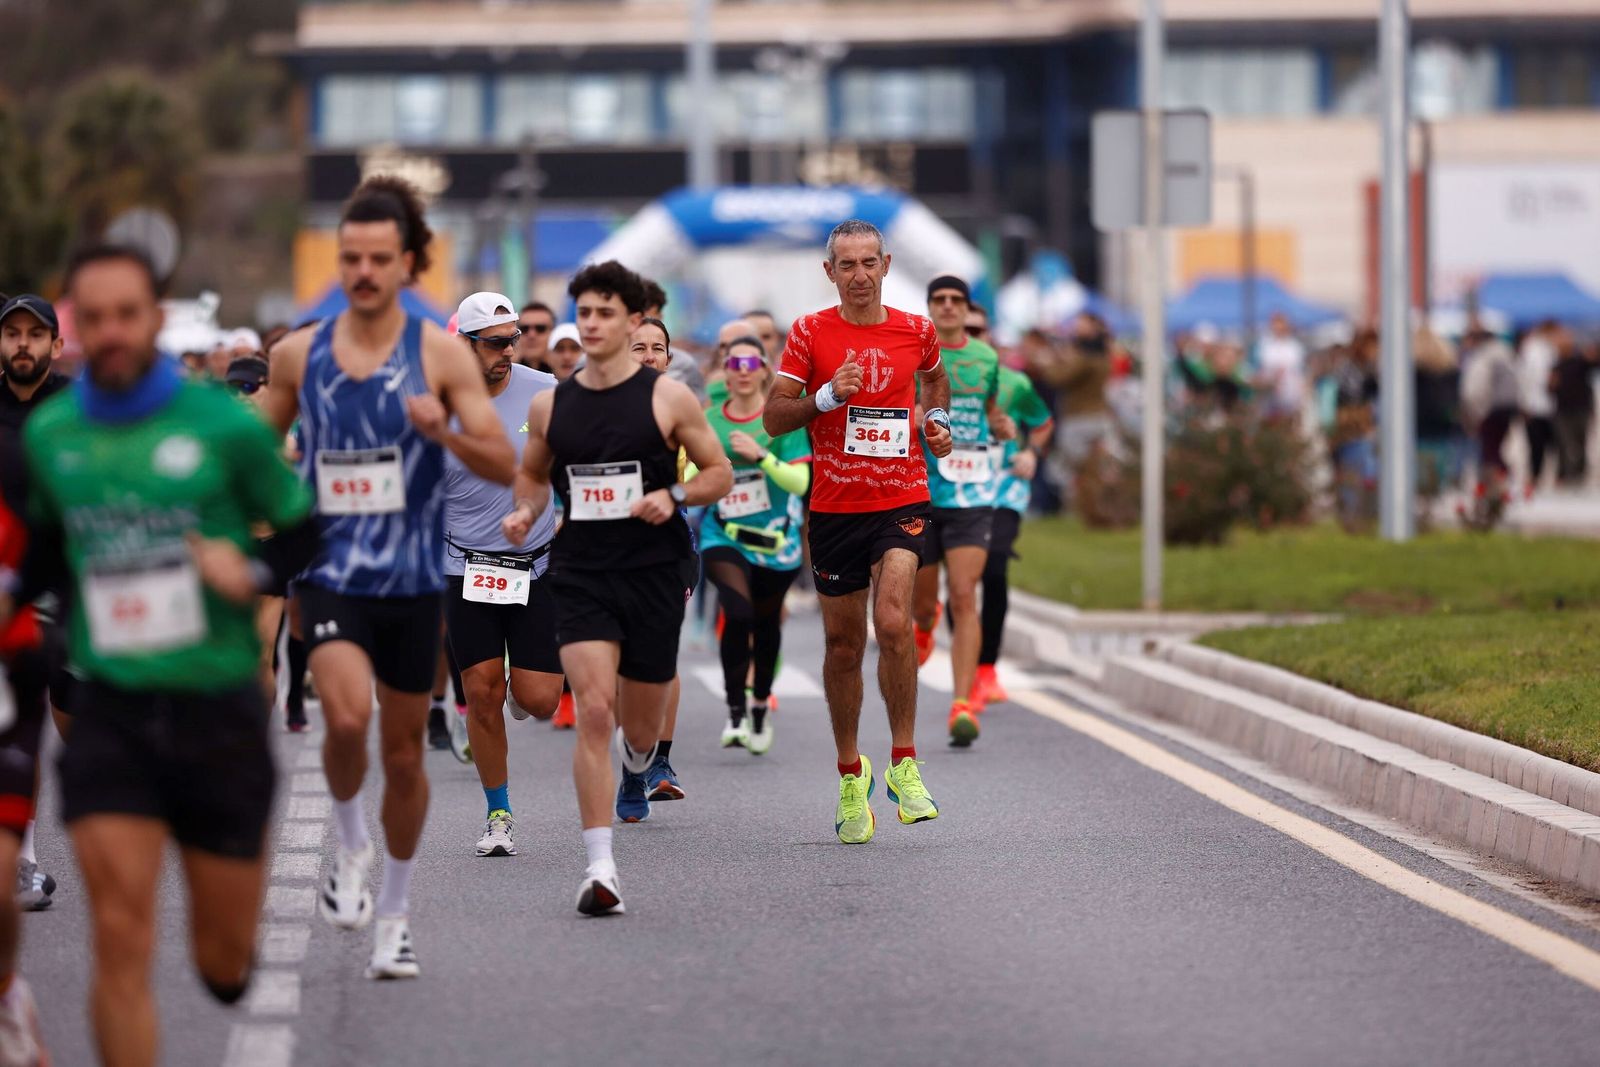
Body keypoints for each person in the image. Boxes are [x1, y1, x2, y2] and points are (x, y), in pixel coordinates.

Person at [9, 244, 320, 1066]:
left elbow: (302, 531)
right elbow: (42, 555)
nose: (111, 332)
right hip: (110, 707)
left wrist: (247, 569)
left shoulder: (220, 425)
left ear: (154, 317)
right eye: (95, 316)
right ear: (79, 325)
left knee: (221, 966)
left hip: (216, 710)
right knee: (119, 934)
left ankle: (230, 942)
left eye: (127, 314)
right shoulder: (54, 433)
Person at [259, 176, 516, 978]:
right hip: (333, 567)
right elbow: (251, 447)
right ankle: (348, 843)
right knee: (342, 717)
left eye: (379, 258)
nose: (363, 271)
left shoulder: (440, 354)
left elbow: (503, 459)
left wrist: (445, 431)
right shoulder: (298, 353)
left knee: (403, 756)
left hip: (413, 577)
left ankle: (396, 912)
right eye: (350, 258)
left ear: (408, 263)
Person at [500, 260, 730, 915]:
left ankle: (640, 762)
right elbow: (534, 473)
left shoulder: (668, 399)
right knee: (593, 710)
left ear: (634, 321)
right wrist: (524, 511)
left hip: (655, 571)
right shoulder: (553, 403)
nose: (593, 323)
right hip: (581, 572)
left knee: (638, 716)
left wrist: (674, 494)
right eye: (585, 312)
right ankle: (601, 867)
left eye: (606, 313)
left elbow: (718, 471)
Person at [764, 218, 953, 845]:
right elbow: (772, 418)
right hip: (835, 506)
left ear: (887, 264)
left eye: (869, 262)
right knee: (843, 647)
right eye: (847, 265)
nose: (860, 275)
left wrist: (939, 422)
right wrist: (824, 398)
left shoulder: (917, 329)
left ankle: (904, 763)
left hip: (901, 495)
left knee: (894, 621)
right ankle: (851, 773)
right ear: (829, 272)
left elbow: (933, 378)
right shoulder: (809, 333)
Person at [444, 292, 564, 857]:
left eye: (513, 339)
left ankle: (526, 686)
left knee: (540, 701)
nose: (508, 352)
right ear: (463, 345)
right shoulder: (436, 401)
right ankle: (499, 813)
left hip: (534, 566)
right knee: (481, 691)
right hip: (461, 566)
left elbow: (572, 462)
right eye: (494, 343)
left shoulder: (544, 392)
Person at [910, 275, 1014, 748]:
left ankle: (963, 703)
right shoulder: (914, 350)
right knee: (924, 603)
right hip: (922, 491)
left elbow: (990, 409)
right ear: (930, 307)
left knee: (966, 595)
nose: (948, 307)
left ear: (966, 309)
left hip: (973, 491)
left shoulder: (987, 358)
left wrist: (1000, 423)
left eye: (956, 300)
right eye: (940, 300)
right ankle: (926, 625)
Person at [700, 334, 810, 754]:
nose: (743, 373)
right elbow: (687, 475)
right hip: (723, 534)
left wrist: (761, 457)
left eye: (751, 364)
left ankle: (760, 703)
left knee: (766, 627)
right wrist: (710, 473)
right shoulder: (709, 420)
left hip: (775, 541)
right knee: (738, 612)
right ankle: (734, 712)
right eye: (734, 364)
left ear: (765, 370)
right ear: (724, 372)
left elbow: (800, 482)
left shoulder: (779, 419)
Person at [0, 293, 72, 914]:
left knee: (73, 724)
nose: (21, 344)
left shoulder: (80, 406)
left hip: (74, 589)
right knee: (15, 728)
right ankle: (20, 860)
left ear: (55, 343)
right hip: (7, 593)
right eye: (11, 334)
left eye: (34, 334)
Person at [614, 317, 694, 820]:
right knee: (623, 663)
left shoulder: (682, 409)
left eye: (657, 348)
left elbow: (712, 472)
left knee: (660, 656)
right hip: (607, 551)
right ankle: (631, 771)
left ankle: (660, 763)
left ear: (668, 358)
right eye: (637, 347)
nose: (648, 355)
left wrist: (674, 493)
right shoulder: (594, 406)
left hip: (668, 549)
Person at [974, 334, 1055, 707]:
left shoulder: (1015, 384)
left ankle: (985, 668)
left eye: (982, 337)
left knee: (994, 568)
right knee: (961, 581)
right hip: (954, 490)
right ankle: (947, 639)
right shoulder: (937, 377)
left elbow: (1042, 422)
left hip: (1005, 488)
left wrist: (1031, 453)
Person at [640, 279, 708, 404]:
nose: (644, 324)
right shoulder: (607, 364)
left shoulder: (683, 364)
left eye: (649, 317)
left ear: (660, 316)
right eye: (637, 317)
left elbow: (701, 408)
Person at [1551, 325, 1594, 488]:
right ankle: (1567, 474)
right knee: (1565, 443)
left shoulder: (1580, 361)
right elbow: (1550, 387)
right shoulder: (1557, 364)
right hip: (1563, 410)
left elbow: (1593, 363)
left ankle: (1579, 474)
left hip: (1581, 409)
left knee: (1580, 442)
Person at [1518, 320, 1557, 494]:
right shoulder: (1532, 349)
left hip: (1548, 406)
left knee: (1546, 444)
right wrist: (1525, 403)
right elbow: (1525, 379)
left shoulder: (1550, 350)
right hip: (1535, 405)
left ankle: (1540, 476)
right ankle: (1534, 477)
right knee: (1536, 445)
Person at [1256, 312, 1307, 420]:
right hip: (1269, 392)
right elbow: (1259, 368)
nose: (1277, 329)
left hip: (1290, 393)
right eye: (1275, 325)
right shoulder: (1264, 345)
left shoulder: (1295, 347)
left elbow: (1300, 371)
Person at [515, 301, 555, 370]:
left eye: (540, 329)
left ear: (553, 332)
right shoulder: (504, 376)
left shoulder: (568, 375)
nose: (531, 335)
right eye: (525, 329)